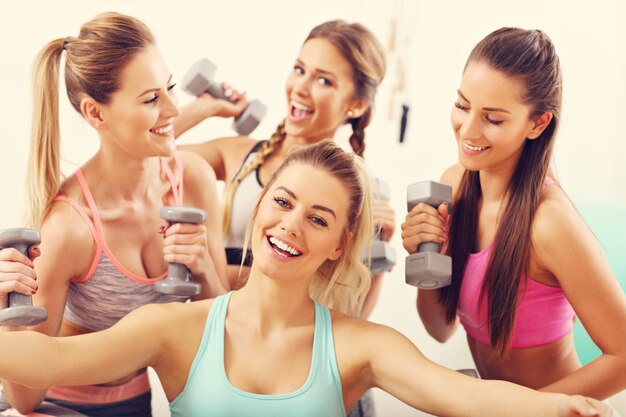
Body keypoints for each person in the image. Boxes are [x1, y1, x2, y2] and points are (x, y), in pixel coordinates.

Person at [0, 140, 613, 417]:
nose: (291, 226)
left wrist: (566, 408)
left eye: (318, 218)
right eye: (284, 202)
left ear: (338, 243)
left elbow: (469, 396)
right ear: (262, 202)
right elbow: (44, 365)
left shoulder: (357, 345)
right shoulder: (174, 327)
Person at [0, 12, 229, 416]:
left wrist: (204, 265)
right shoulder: (70, 227)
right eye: (152, 99)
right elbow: (25, 399)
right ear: (96, 114)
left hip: (136, 399)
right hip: (57, 403)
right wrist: (6, 311)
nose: (174, 110)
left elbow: (227, 329)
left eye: (170, 88)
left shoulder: (193, 179)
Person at [401, 27, 626, 405]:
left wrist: (518, 410)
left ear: (537, 123)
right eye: (462, 105)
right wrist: (426, 259)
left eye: (493, 118)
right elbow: (439, 329)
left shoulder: (549, 223)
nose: (468, 130)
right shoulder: (452, 185)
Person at [174, 19, 395, 321]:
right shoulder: (240, 153)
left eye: (324, 81)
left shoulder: (353, 196)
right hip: (212, 319)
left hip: (281, 343)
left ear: (355, 105)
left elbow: (351, 317)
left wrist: (377, 255)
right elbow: (143, 156)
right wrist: (205, 107)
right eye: (300, 69)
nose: (300, 88)